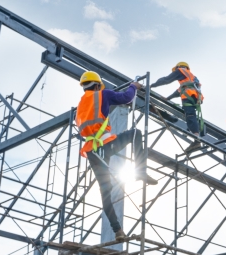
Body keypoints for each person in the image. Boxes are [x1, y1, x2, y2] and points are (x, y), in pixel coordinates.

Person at [75, 71, 158, 240]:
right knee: (136, 133)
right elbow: (126, 98)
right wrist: (133, 86)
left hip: (92, 150)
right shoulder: (103, 94)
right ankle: (140, 171)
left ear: (84, 87)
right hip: (105, 144)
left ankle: (118, 231)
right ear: (97, 85)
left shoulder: (81, 104)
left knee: (105, 191)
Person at [151, 62, 205, 152]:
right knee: (190, 115)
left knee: (190, 116)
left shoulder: (180, 70)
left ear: (178, 67)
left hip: (189, 97)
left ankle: (196, 139)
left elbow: (166, 80)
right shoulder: (190, 79)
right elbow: (178, 91)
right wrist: (168, 98)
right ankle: (196, 138)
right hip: (194, 98)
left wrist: (151, 85)